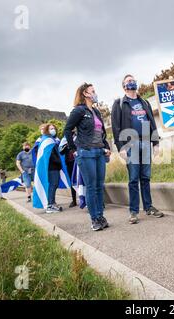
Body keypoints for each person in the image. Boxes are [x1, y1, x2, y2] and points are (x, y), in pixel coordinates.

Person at [111, 74, 164, 225]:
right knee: (134, 179)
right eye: (128, 81)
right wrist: (120, 147)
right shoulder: (119, 103)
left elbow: (152, 122)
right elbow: (115, 127)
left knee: (146, 177)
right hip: (130, 144)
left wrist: (156, 142)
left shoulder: (144, 102)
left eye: (133, 80)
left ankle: (148, 207)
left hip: (146, 142)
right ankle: (134, 211)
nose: (131, 82)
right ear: (124, 86)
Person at [64, 83, 111, 231]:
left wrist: (106, 147)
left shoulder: (96, 112)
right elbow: (67, 130)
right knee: (91, 187)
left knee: (98, 186)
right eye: (93, 91)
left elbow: (101, 133)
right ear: (85, 93)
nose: (95, 93)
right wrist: (74, 150)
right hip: (85, 153)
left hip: (98, 153)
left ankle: (101, 216)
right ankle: (94, 219)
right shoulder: (79, 111)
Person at [32, 123, 70, 213]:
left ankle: (52, 203)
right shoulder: (47, 141)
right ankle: (50, 205)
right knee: (53, 185)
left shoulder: (51, 140)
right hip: (51, 167)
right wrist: (59, 162)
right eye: (50, 129)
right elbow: (51, 155)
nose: (53, 130)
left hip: (53, 166)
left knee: (54, 185)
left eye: (54, 128)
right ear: (46, 130)